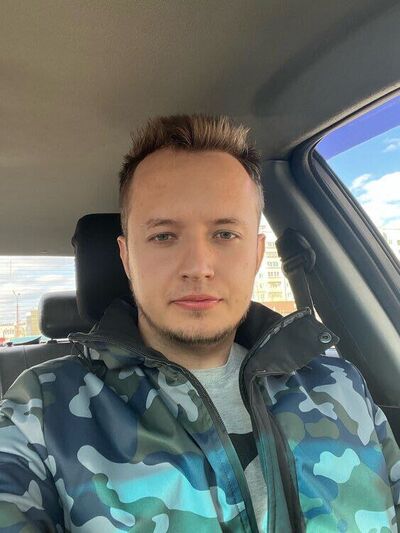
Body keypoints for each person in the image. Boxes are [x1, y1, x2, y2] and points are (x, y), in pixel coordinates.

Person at [0, 115, 399, 532]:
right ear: (126, 257)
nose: (198, 266)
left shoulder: (339, 384)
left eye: (225, 234)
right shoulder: (40, 412)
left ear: (257, 254)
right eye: (163, 236)